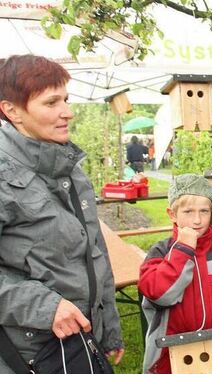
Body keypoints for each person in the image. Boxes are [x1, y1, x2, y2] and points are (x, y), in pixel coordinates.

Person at [0, 54, 124, 372]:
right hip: (28, 351)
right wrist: (45, 306)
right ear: (11, 110)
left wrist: (107, 325)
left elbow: (92, 252)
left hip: (78, 341)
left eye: (66, 99)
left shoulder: (68, 169)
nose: (67, 112)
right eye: (51, 102)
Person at [139, 173, 212, 374]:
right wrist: (183, 250)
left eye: (204, 211)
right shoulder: (160, 253)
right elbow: (160, 294)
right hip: (170, 357)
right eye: (188, 211)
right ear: (172, 214)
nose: (197, 220)